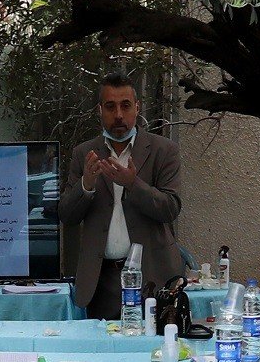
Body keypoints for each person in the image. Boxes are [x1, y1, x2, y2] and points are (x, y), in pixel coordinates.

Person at [57, 72, 183, 320]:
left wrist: (132, 184)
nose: (118, 115)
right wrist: (86, 185)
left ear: (137, 108)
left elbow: (171, 208)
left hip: (153, 278)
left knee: (154, 343)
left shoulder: (163, 150)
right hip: (102, 280)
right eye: (110, 107)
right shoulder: (85, 154)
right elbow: (67, 216)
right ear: (99, 110)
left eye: (125, 106)